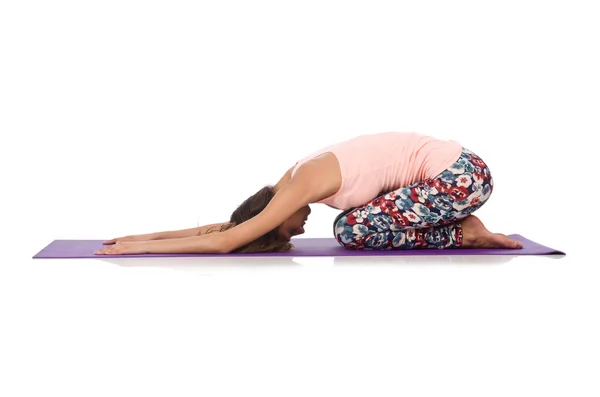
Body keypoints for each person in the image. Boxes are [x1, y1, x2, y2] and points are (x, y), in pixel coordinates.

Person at [95, 131, 523, 255]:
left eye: (285, 232)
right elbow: (228, 227)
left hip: (459, 177)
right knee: (353, 224)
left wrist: (137, 251)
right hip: (461, 173)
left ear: (275, 213)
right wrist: (143, 237)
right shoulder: (289, 180)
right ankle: (460, 223)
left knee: (351, 230)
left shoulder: (299, 185)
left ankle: (464, 232)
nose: (298, 231)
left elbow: (228, 242)